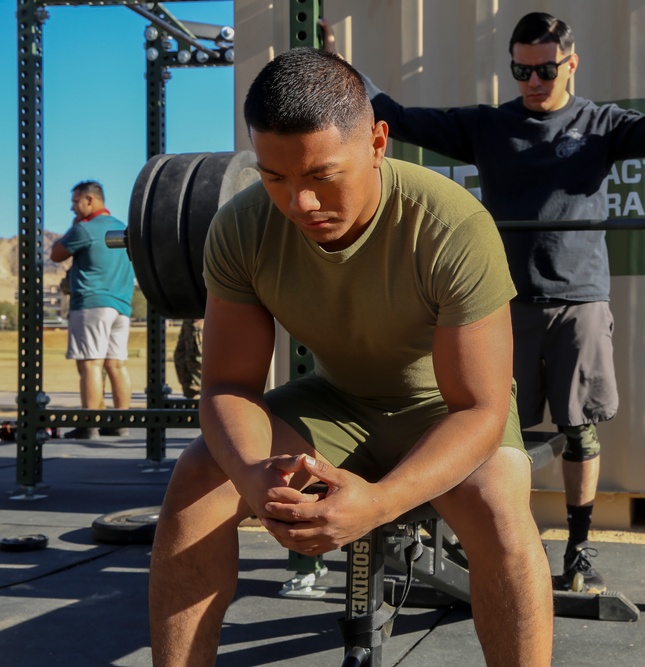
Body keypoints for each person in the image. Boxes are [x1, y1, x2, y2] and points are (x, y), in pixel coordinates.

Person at [148, 48, 552, 666]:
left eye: (321, 176)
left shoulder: (451, 224)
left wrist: (379, 503)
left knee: (499, 506)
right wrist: (255, 473)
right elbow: (228, 385)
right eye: (275, 178)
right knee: (201, 474)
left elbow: (480, 406)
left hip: (444, 408)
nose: (299, 204)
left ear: (377, 142)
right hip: (337, 403)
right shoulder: (240, 229)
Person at [321, 0, 645, 593]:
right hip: (499, 306)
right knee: (485, 428)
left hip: (578, 302)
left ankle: (580, 548)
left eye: (545, 69)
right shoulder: (489, 127)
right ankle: (490, 543)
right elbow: (395, 116)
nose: (534, 82)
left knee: (579, 431)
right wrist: (338, 67)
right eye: (522, 71)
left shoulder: (601, 126)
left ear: (572, 65)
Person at [50, 181, 134, 439]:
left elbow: (55, 254)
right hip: (121, 305)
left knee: (90, 364)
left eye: (76, 202)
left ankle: (90, 423)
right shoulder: (121, 227)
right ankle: (121, 421)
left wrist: (75, 224)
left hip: (92, 304)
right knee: (116, 365)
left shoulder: (85, 229)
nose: (72, 207)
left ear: (89, 200)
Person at [173, 319, 202, 399]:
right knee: (180, 357)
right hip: (188, 318)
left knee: (195, 358)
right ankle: (190, 394)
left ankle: (198, 395)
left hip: (197, 318)